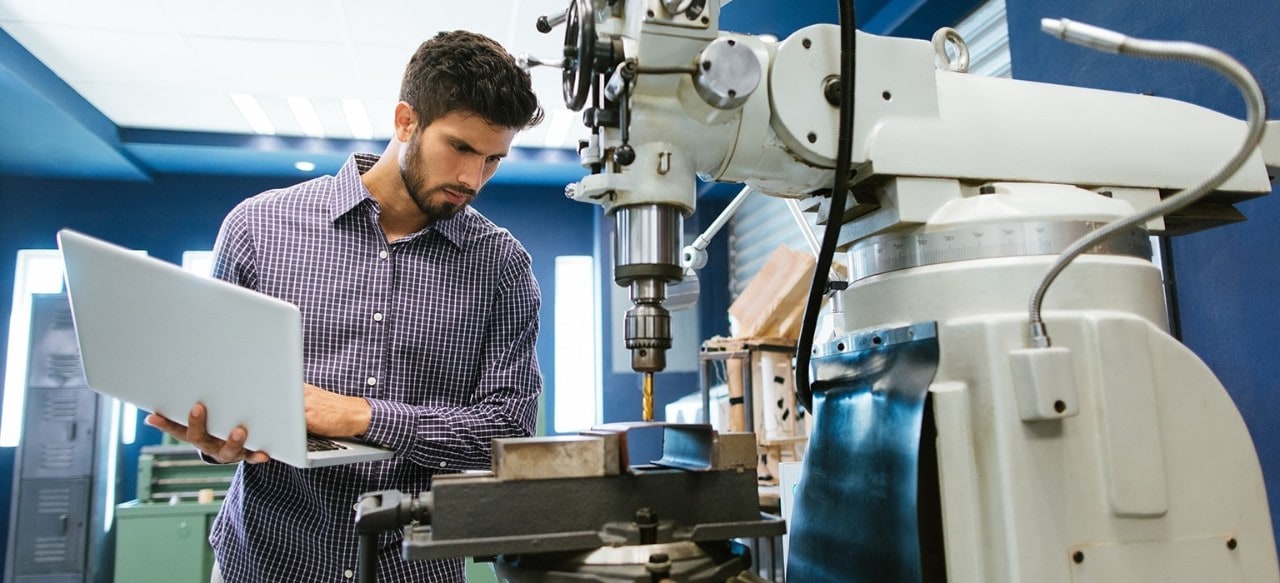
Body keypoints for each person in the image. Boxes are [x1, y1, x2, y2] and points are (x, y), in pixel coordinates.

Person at [146, 30, 545, 582]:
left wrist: (362, 416)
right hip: (266, 559)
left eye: (493, 160)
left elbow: (507, 429)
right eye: (460, 148)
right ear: (407, 121)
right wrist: (216, 444)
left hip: (415, 568)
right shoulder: (257, 229)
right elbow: (219, 395)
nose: (472, 179)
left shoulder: (501, 266)